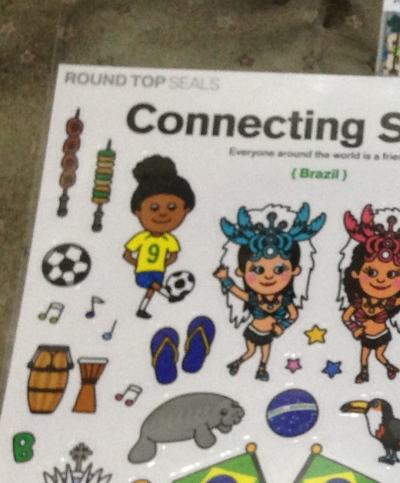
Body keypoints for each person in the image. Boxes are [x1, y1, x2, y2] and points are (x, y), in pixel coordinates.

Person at [212, 203, 327, 381]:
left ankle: (261, 370)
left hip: (268, 333)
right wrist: (224, 278)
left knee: (265, 353)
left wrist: (282, 326)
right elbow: (236, 291)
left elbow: (294, 315)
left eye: (280, 269)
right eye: (257, 270)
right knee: (250, 351)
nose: (268, 276)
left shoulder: (285, 299)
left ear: (295, 270)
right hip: (253, 330)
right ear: (241, 272)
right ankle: (238, 363)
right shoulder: (254, 298)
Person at [340, 206, 400, 383]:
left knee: (379, 355)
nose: (380, 280)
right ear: (356, 273)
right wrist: (355, 329)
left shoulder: (388, 303)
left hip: (382, 335)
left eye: (393, 274)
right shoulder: (359, 301)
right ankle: (364, 373)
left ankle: (389, 367)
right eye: (371, 272)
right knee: (364, 356)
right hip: (365, 335)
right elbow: (346, 317)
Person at [123, 156, 196, 318]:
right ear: (138, 211)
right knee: (152, 285)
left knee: (151, 290)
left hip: (159, 270)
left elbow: (173, 255)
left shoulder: (170, 240)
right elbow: (127, 254)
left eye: (172, 207)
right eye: (154, 207)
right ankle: (169, 296)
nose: (163, 213)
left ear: (186, 209)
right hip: (143, 271)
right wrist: (137, 263)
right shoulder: (141, 237)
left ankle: (142, 309)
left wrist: (163, 263)